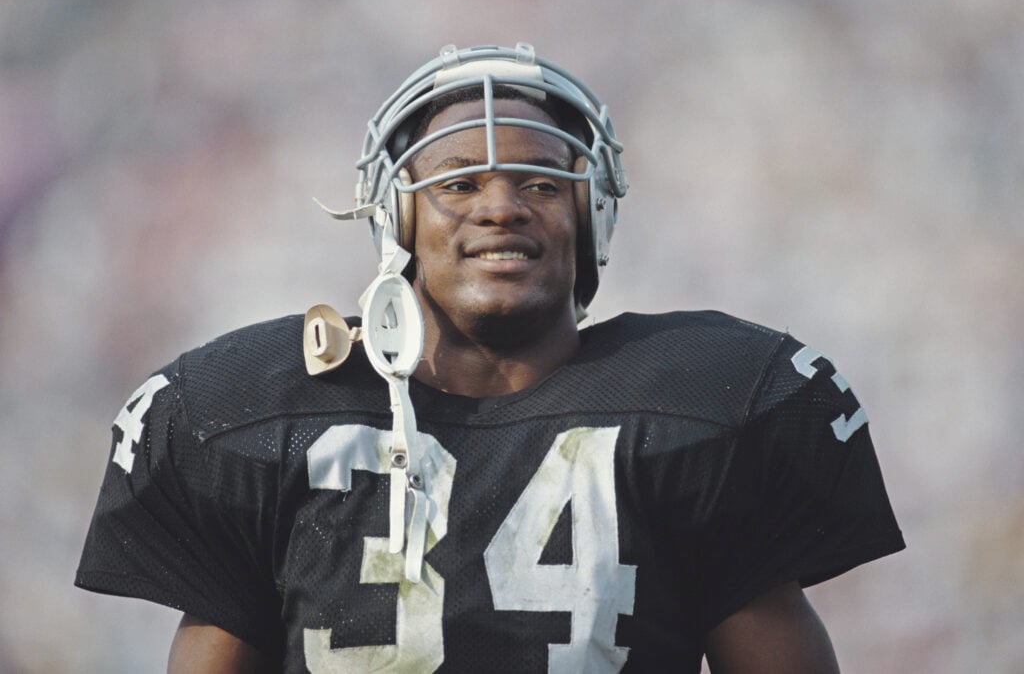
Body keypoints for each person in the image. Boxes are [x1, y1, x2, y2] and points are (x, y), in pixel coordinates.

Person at [76, 43, 904, 673]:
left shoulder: (707, 402)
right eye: (459, 183)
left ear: (588, 216)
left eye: (541, 183)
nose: (502, 207)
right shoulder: (259, 414)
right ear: (398, 219)